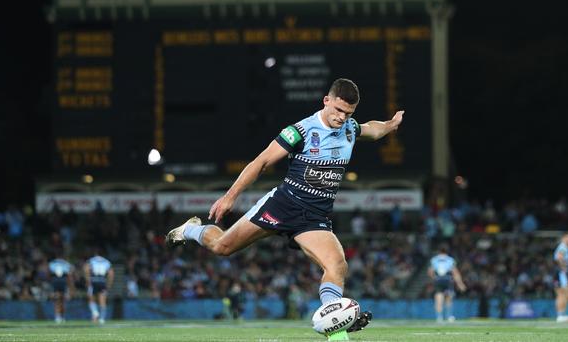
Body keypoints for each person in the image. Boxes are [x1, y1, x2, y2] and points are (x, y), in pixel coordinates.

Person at [166, 78, 404, 340]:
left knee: (337, 265)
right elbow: (262, 161)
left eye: (348, 113)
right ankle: (190, 230)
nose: (341, 117)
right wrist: (230, 197)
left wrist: (391, 125)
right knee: (222, 247)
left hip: (314, 218)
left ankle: (337, 333)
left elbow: (373, 128)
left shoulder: (350, 128)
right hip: (282, 205)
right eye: (337, 110)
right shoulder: (300, 131)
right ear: (326, 100)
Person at [427, 245, 466, 322]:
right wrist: (460, 284)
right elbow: (455, 272)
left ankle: (439, 317)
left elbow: (430, 271)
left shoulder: (434, 259)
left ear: (439, 251)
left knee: (438, 298)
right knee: (448, 298)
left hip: (438, 280)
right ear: (447, 252)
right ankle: (449, 316)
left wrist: (433, 278)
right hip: (447, 279)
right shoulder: (450, 260)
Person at [84, 251, 114, 324]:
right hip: (102, 281)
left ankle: (95, 313)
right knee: (102, 299)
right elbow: (111, 274)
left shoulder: (91, 260)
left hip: (93, 280)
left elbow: (86, 269)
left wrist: (87, 280)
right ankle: (102, 318)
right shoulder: (107, 262)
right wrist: (109, 284)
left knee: (91, 298)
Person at [554, 233, 568, 322]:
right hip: (561, 273)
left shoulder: (562, 247)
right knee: (564, 293)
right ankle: (560, 315)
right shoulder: (563, 247)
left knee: (562, 293)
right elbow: (559, 257)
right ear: (564, 237)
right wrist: (563, 267)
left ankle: (561, 315)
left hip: (559, 273)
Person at [48, 254, 74, 323]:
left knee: (57, 301)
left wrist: (50, 286)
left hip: (55, 282)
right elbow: (69, 276)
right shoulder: (66, 263)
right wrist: (71, 287)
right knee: (62, 301)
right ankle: (62, 317)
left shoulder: (52, 263)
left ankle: (58, 317)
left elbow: (49, 274)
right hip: (63, 282)